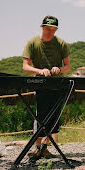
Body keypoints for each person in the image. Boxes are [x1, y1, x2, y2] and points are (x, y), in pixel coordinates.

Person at [22, 15, 71, 160]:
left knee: (54, 117)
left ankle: (44, 147)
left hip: (57, 84)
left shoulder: (61, 43)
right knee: (41, 115)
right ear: (42, 27)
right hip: (40, 83)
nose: (50, 32)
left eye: (53, 30)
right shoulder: (32, 43)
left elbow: (68, 67)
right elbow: (25, 66)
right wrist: (39, 71)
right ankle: (38, 148)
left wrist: (59, 70)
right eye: (48, 29)